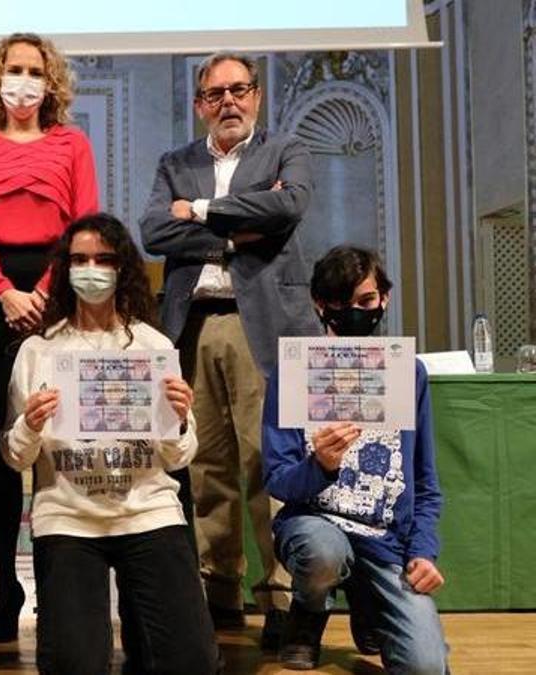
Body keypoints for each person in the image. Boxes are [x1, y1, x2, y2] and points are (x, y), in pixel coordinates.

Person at [138, 51, 321, 646]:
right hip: (191, 322)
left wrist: (201, 212)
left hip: (258, 322)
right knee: (207, 463)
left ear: (257, 96)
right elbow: (153, 231)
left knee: (264, 460)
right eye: (214, 95)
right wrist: (240, 228)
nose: (228, 103)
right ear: (199, 106)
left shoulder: (285, 151)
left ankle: (281, 597)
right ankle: (220, 588)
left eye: (238, 90)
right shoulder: (176, 162)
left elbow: (288, 206)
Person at [3, 213, 217, 674]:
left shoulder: (152, 345)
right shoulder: (38, 350)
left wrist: (179, 420)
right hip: (68, 518)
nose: (91, 268)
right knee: (73, 664)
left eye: (103, 258)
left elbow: (178, 456)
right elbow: (15, 455)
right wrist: (31, 424)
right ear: (65, 269)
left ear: (122, 268)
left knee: (193, 661)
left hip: (148, 511)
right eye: (79, 259)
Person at [0, 32, 99, 643]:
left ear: (51, 81)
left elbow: (83, 225)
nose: (23, 80)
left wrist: (42, 290)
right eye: (12, 69)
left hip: (55, 288)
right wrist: (3, 292)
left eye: (34, 70)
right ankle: (6, 587)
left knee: (51, 432)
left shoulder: (73, 144)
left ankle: (56, 582)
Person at [263, 246, 448, 673]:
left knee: (427, 667)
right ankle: (308, 612)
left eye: (366, 301)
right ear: (319, 304)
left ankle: (369, 602)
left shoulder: (409, 373)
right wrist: (319, 466)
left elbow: (426, 483)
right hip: (316, 527)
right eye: (341, 303)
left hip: (386, 542)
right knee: (323, 553)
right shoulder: (292, 373)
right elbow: (277, 478)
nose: (355, 312)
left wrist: (424, 553)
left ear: (384, 298)